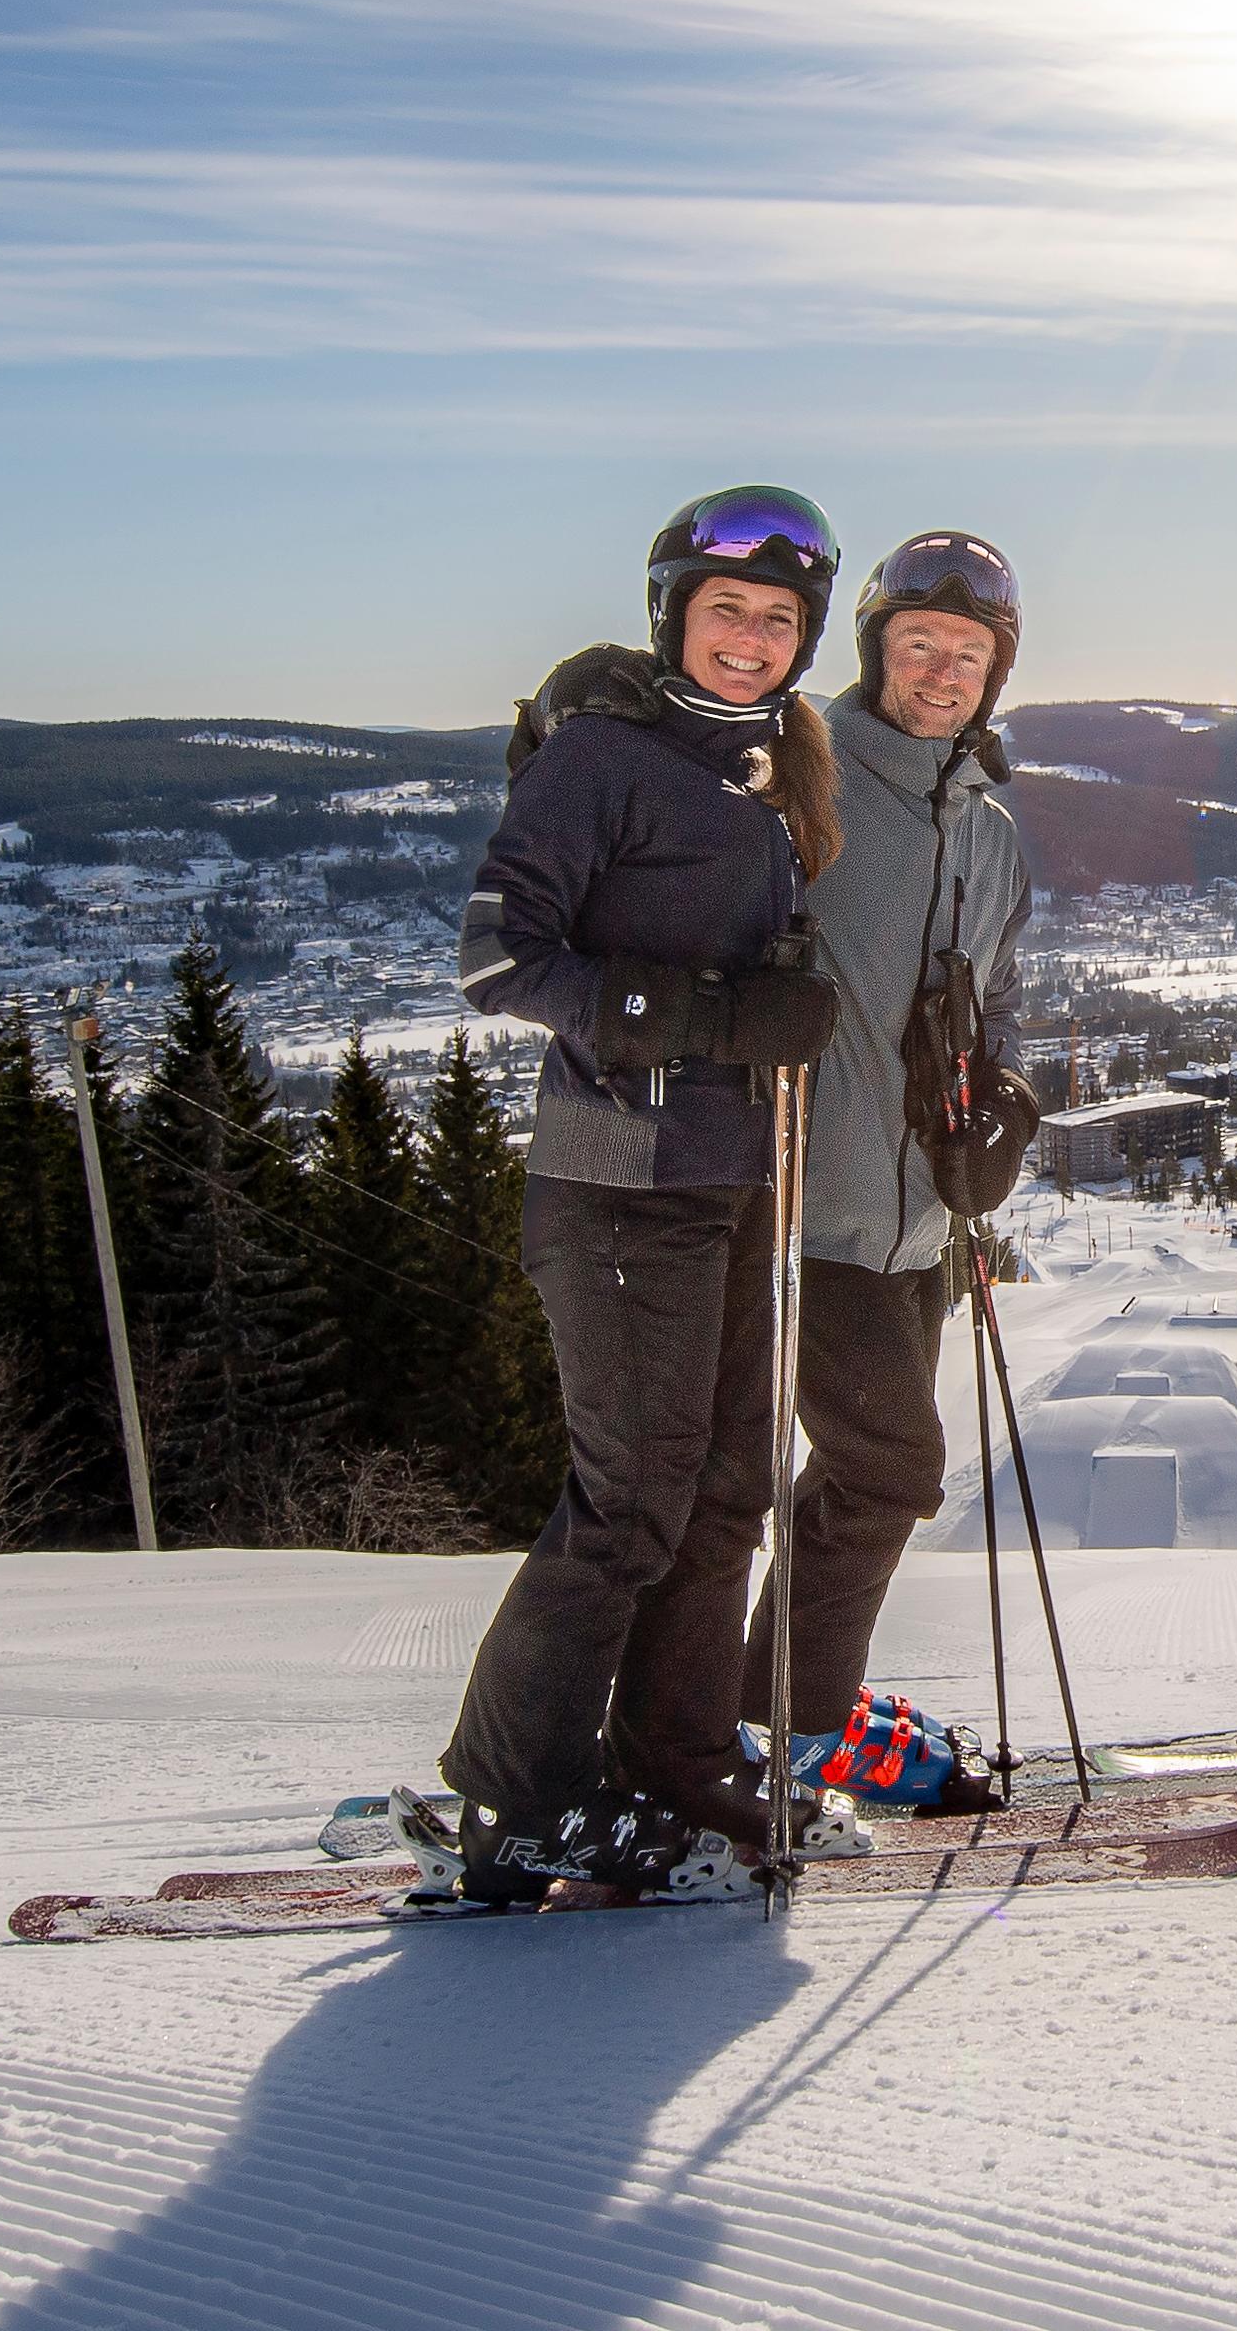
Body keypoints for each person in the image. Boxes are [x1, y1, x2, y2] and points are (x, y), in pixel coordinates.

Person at [435, 485, 846, 1898]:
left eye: (779, 620)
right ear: (674, 611)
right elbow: (499, 961)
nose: (750, 639)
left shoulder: (761, 768)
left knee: (731, 1486)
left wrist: (771, 999)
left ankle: (674, 1754)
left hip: (732, 1183)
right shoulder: (604, 755)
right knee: (629, 1505)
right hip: (616, 1186)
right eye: (726, 610)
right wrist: (716, 1017)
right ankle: (519, 1795)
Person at [732, 530, 1035, 1805]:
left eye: (970, 653)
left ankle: (778, 1709)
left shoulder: (993, 829)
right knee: (889, 1470)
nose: (943, 670)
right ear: (874, 651)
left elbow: (984, 1009)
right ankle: (787, 1730)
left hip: (922, 1229)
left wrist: (1002, 1109)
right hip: (807, 1212)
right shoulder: (798, 780)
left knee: (858, 1475)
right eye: (919, 644)